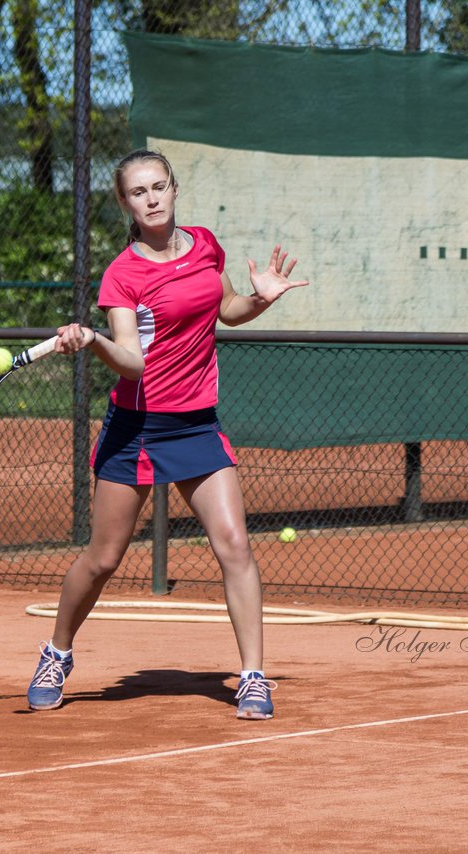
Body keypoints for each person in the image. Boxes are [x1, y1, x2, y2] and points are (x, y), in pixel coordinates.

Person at [27, 148, 309, 720]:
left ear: (175, 190)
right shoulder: (122, 275)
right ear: (126, 204)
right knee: (104, 559)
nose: (151, 198)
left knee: (234, 545)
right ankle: (57, 651)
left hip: (197, 421)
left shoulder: (205, 245)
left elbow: (226, 310)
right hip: (138, 425)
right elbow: (132, 361)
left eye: (159, 187)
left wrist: (258, 298)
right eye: (138, 192)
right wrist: (96, 342)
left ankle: (252, 677)